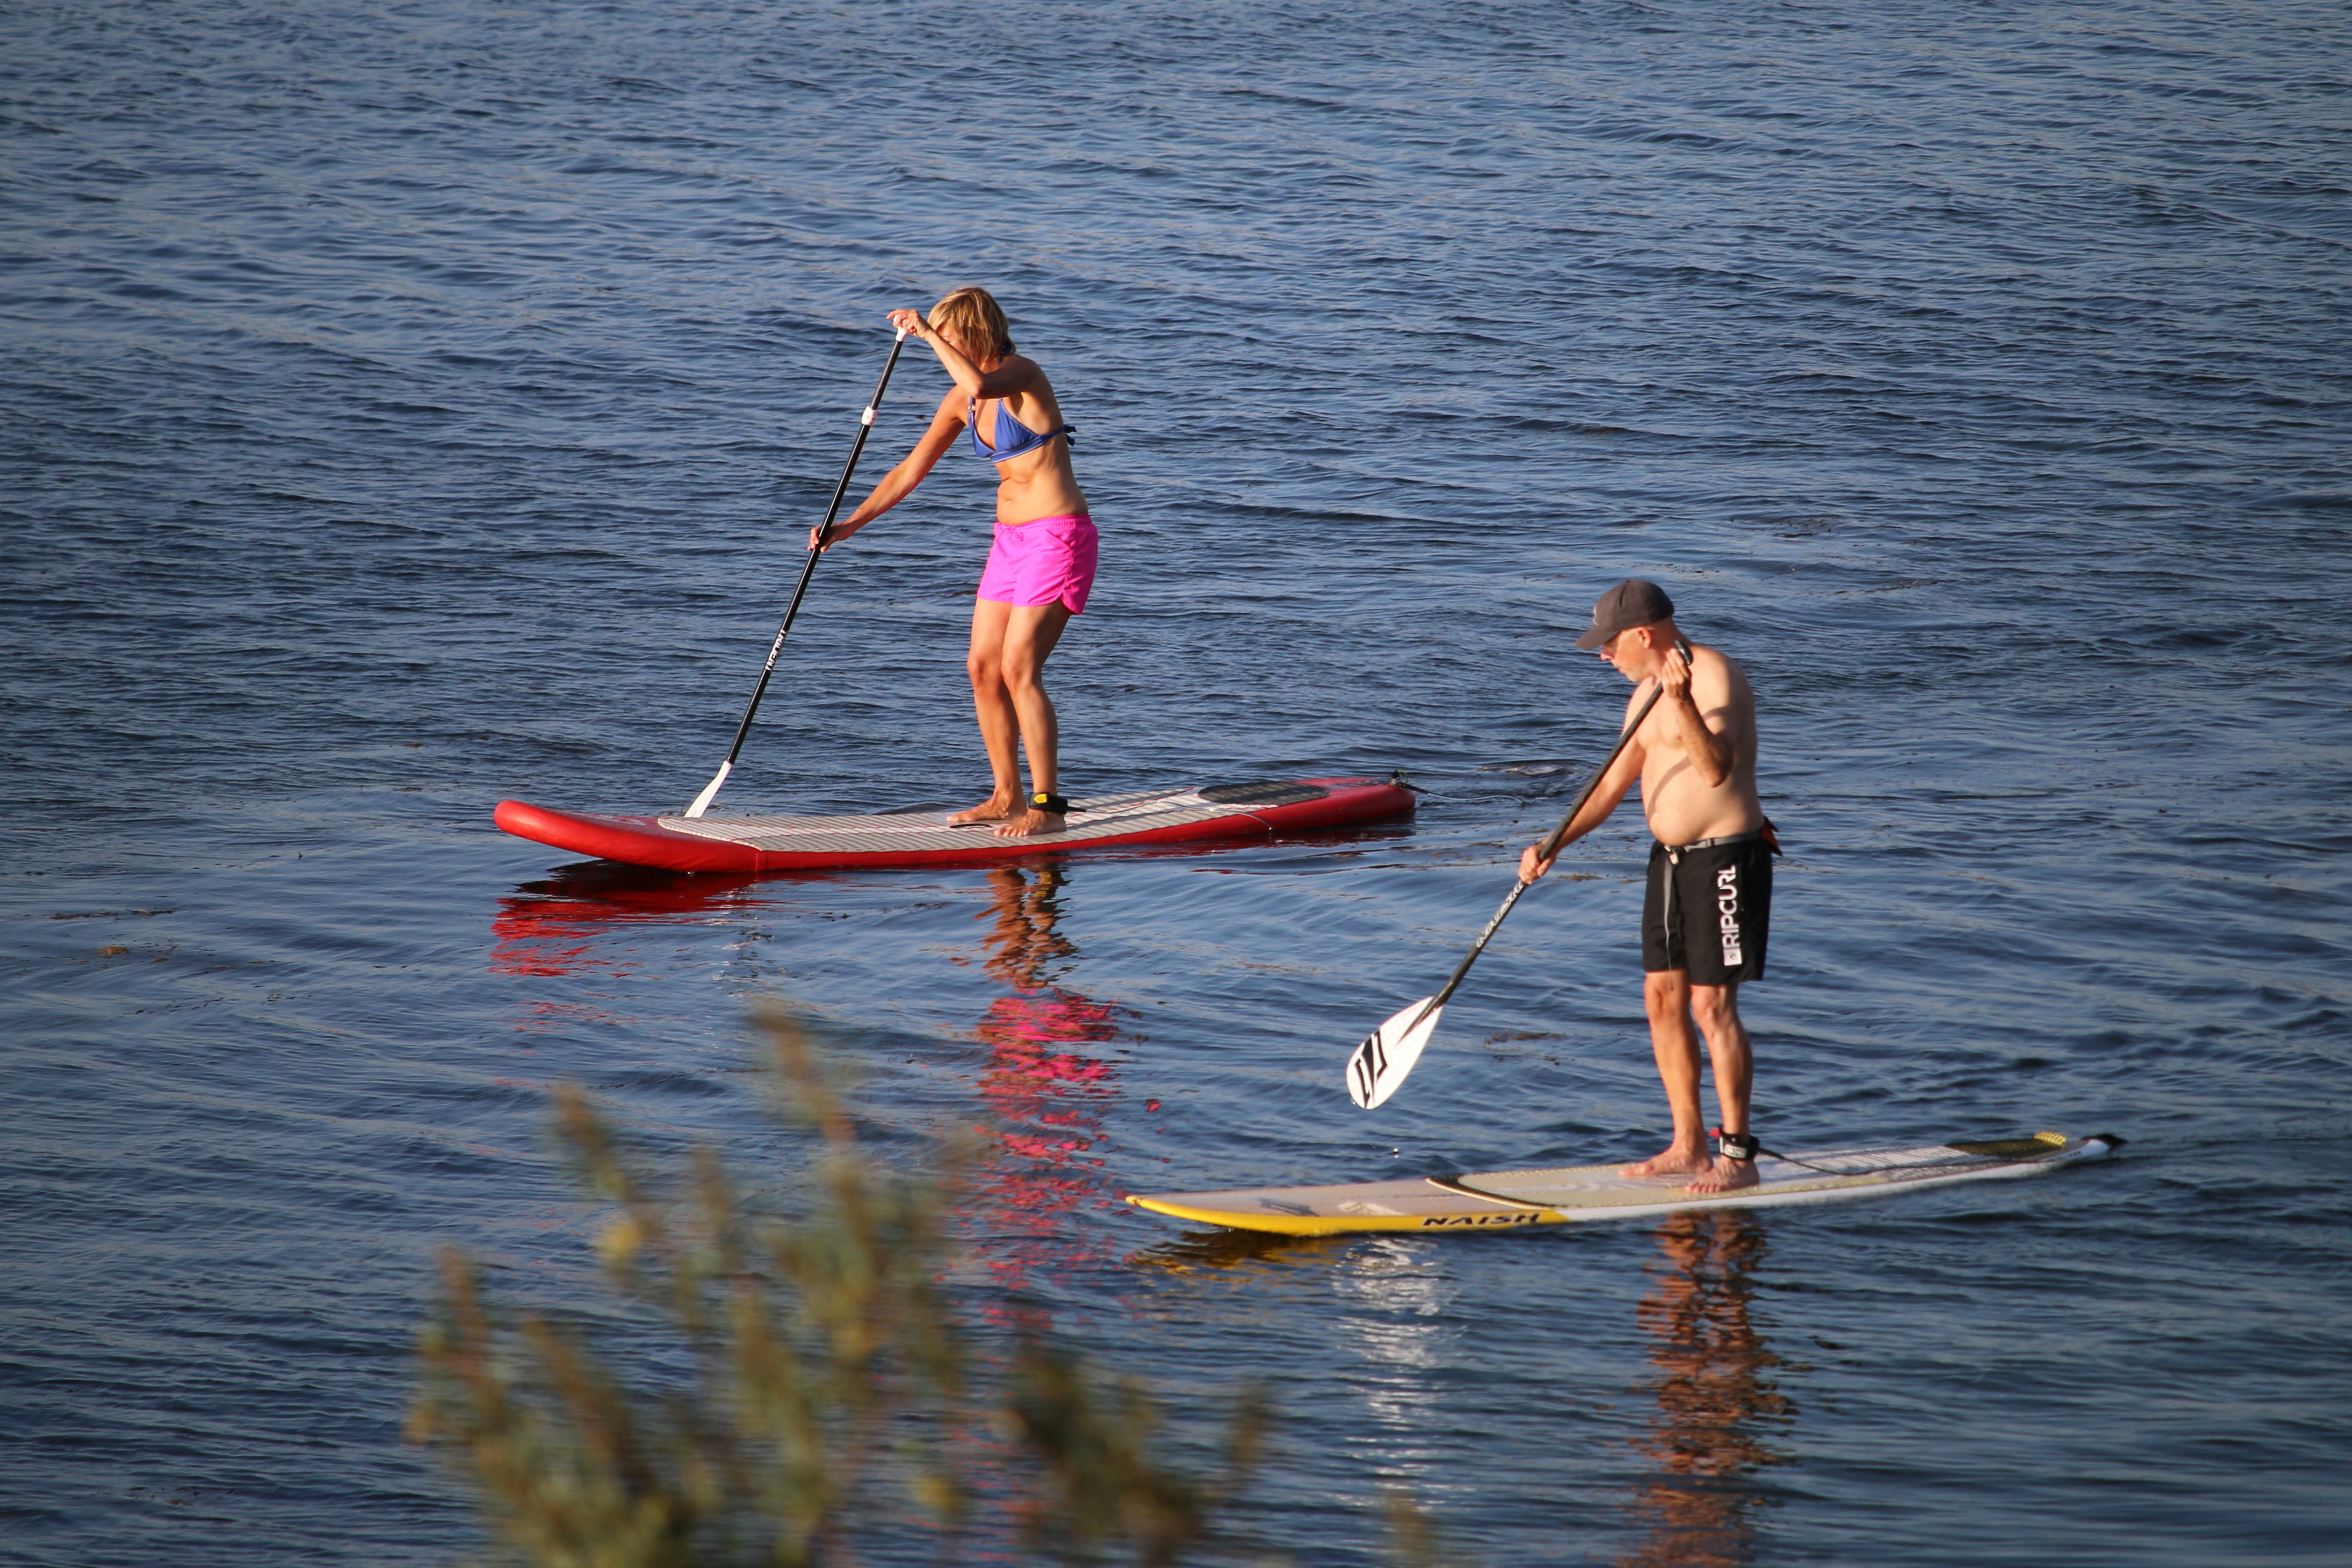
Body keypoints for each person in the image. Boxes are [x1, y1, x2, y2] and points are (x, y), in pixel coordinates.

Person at [1518, 580, 1776, 1194]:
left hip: (1726, 860)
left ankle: (1736, 1156)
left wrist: (1680, 700)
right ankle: (1688, 1146)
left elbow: (1715, 773)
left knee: (1711, 1007)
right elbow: (1607, 790)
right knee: (1662, 1000)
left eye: (1609, 645)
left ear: (1642, 634)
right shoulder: (1640, 699)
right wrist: (1552, 844)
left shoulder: (1714, 679)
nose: (1603, 656)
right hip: (1668, 861)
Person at [813, 287, 1095, 838]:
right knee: (981, 668)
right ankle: (1004, 794)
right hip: (1009, 543)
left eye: (947, 334)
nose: (938, 345)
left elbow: (981, 382)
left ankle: (1049, 807)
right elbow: (907, 472)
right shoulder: (958, 402)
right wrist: (847, 526)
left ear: (971, 332)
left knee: (1019, 669)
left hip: (1057, 537)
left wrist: (925, 332)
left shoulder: (1020, 374)